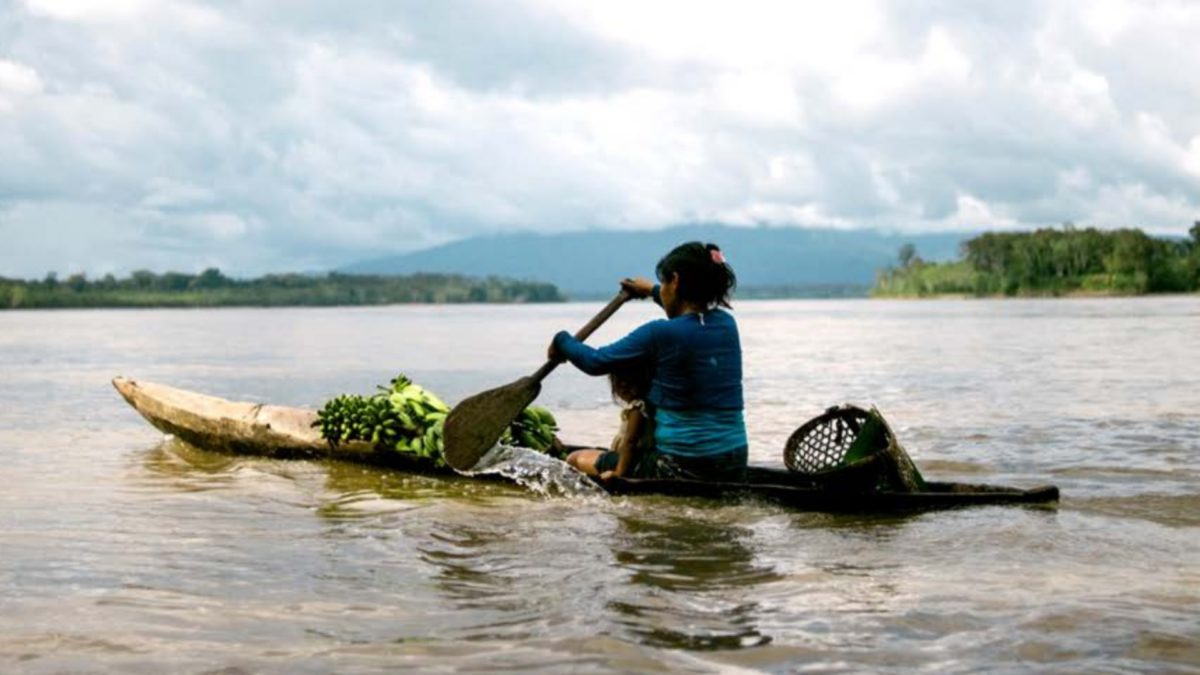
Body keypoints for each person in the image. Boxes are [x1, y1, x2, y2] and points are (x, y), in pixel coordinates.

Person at [549, 241, 747, 482]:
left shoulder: (660, 333)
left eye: (663, 283)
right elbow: (688, 312)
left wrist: (562, 340)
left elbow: (595, 362)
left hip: (680, 466)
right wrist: (651, 290)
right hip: (735, 461)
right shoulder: (726, 323)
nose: (661, 290)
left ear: (675, 281)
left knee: (576, 458)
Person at [566, 365, 655, 479]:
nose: (623, 385)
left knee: (573, 458)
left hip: (630, 460)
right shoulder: (649, 404)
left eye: (628, 380)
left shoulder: (637, 407)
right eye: (619, 380)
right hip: (631, 456)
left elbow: (630, 442)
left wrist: (619, 474)